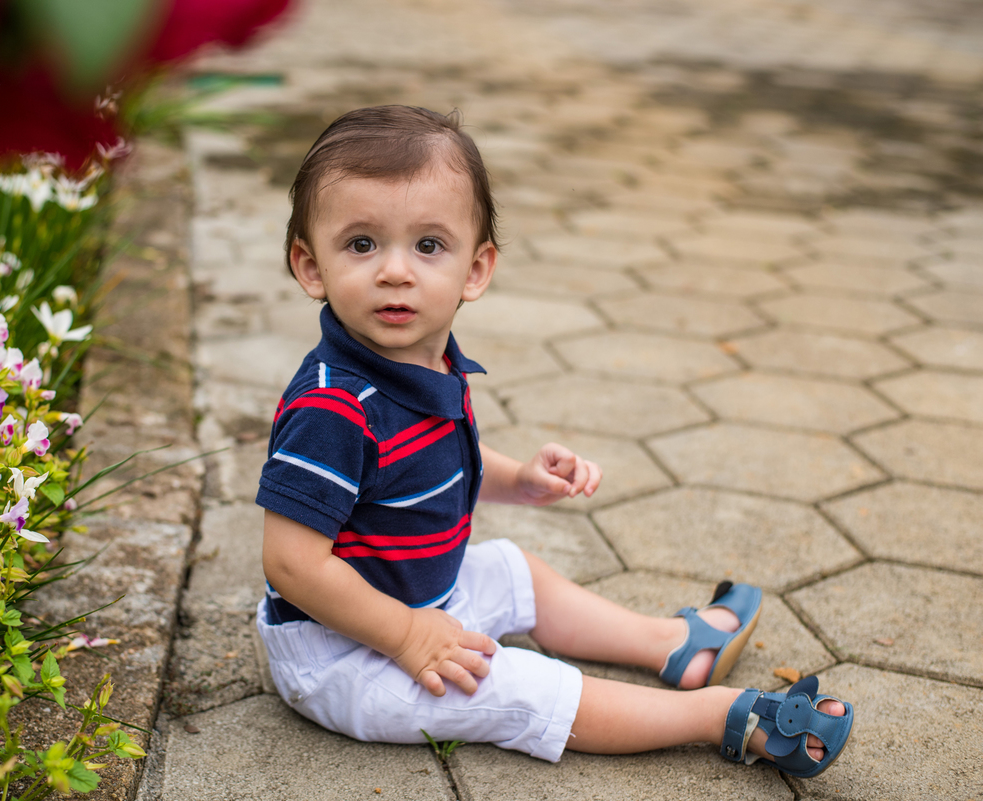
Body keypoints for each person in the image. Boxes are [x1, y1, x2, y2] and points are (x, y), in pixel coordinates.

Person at [255, 105, 853, 776]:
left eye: (428, 246)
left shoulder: (427, 357)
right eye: (362, 244)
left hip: (419, 596)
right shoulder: (331, 406)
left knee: (513, 567)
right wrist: (407, 633)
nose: (396, 270)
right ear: (310, 265)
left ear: (475, 270)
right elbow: (292, 563)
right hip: (342, 651)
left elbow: (422, 467)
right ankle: (721, 714)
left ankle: (673, 645)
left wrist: (518, 479)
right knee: (520, 686)